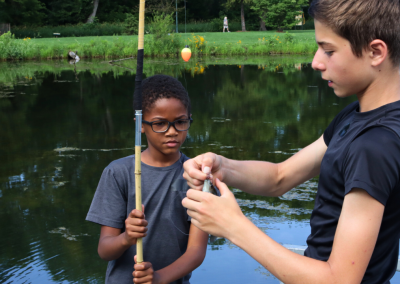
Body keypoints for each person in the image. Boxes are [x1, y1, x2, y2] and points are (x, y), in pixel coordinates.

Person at [182, 0, 400, 283]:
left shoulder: (375, 145)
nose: (315, 62)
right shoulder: (358, 117)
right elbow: (280, 177)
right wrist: (223, 167)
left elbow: (339, 280)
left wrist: (234, 227)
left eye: (329, 50)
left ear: (375, 52)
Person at [86, 74, 208, 284]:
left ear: (189, 118)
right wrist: (126, 238)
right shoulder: (118, 173)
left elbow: (196, 252)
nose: (172, 132)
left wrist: (158, 278)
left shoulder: (197, 176)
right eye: (160, 124)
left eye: (180, 122)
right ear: (140, 125)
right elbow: (104, 250)